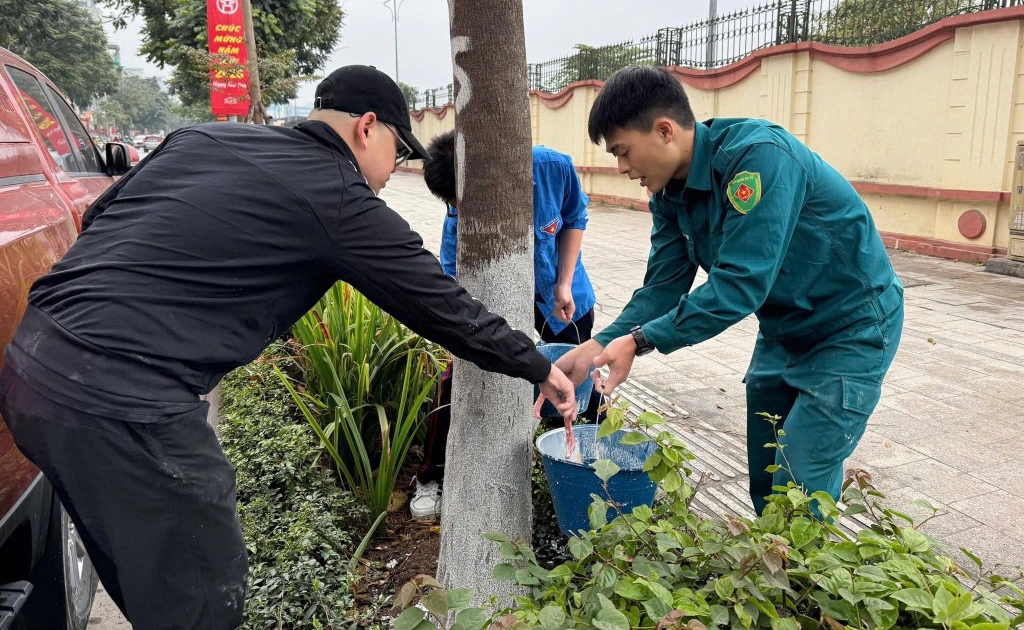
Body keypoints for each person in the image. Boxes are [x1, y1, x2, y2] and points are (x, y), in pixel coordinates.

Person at [0, 65, 577, 630]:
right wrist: (535, 365)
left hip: (30, 366)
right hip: (123, 403)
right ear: (366, 127)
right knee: (204, 595)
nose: (391, 171)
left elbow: (101, 214)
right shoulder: (338, 196)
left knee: (147, 576)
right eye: (398, 152)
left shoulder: (200, 137)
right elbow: (440, 304)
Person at [554, 65, 903, 515]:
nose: (621, 168)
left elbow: (740, 285)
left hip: (851, 328)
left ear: (664, 131)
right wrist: (598, 345)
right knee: (766, 474)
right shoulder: (669, 194)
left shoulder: (758, 159)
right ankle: (775, 556)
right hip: (784, 329)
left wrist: (640, 340)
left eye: (623, 152)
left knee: (799, 482)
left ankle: (804, 559)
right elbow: (663, 285)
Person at [409, 130, 596, 518]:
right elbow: (451, 272)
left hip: (560, 294)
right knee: (454, 379)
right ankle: (431, 475)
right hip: (497, 300)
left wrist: (564, 281)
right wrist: (464, 333)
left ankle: (588, 471)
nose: (460, 211)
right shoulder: (460, 206)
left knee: (582, 378)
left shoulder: (550, 167)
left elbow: (575, 216)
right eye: (455, 206)